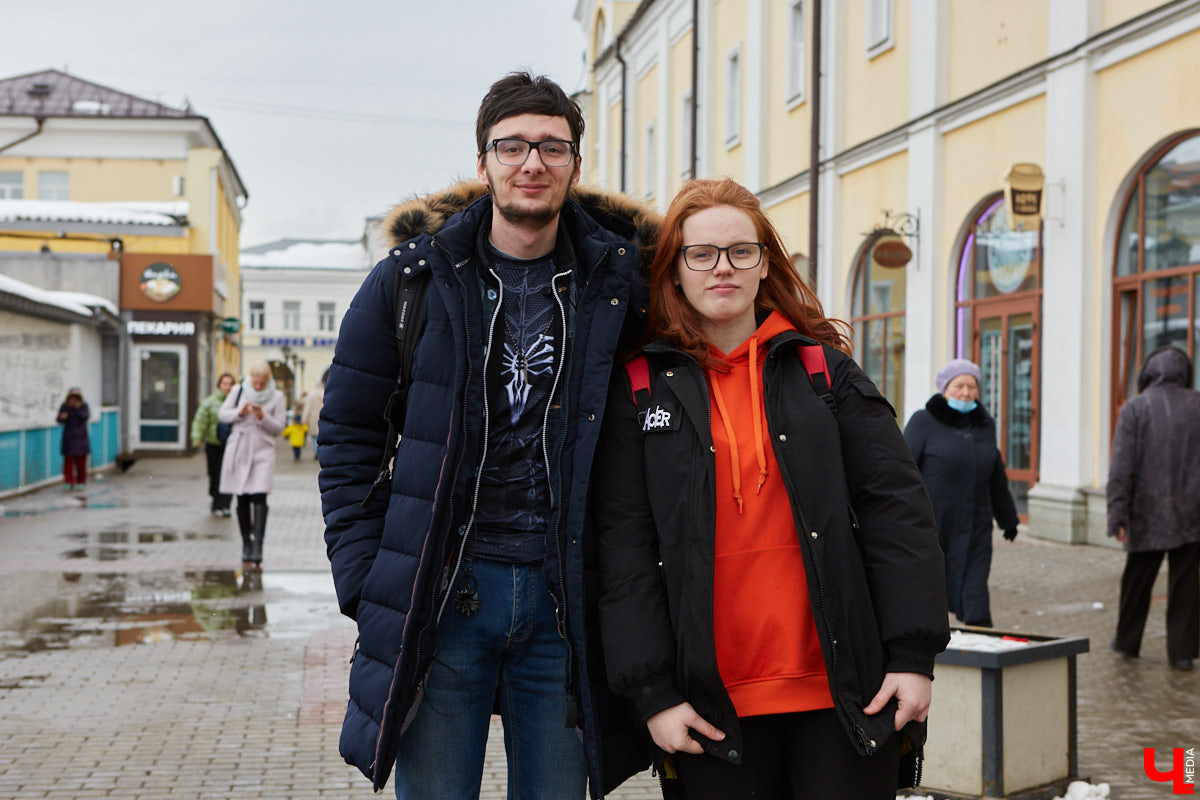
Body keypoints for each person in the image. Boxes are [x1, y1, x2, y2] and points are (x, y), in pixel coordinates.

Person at [319, 72, 655, 799]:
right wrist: (366, 580)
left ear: (573, 163)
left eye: (552, 147)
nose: (532, 163)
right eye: (512, 146)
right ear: (483, 163)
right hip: (443, 600)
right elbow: (347, 435)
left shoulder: (621, 285)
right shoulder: (411, 281)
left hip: (566, 601)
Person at [593, 178, 949, 799]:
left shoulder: (823, 372)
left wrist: (913, 656)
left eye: (741, 251)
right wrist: (651, 692)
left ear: (765, 263)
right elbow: (622, 547)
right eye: (700, 253)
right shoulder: (641, 387)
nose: (722, 267)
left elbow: (899, 513)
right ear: (674, 270)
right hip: (707, 707)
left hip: (845, 696)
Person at [904, 358, 1019, 628]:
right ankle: (932, 639)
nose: (966, 392)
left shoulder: (984, 424)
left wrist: (1008, 518)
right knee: (935, 586)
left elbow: (996, 474)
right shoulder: (923, 421)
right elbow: (903, 470)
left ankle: (978, 640)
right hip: (935, 522)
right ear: (944, 389)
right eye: (959, 386)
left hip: (976, 523)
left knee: (975, 585)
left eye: (971, 386)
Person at [1107, 346, 1200, 671]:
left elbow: (1122, 467)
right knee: (1185, 586)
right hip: (1192, 514)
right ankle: (1182, 652)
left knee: (1136, 583)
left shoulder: (1135, 408)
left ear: (1149, 372)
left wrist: (1117, 514)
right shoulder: (1198, 405)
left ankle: (1127, 643)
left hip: (1146, 514)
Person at [218, 362, 285, 571]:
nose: (257, 387)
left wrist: (262, 416)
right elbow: (223, 414)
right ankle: (246, 542)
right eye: (255, 383)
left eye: (262, 384)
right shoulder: (239, 390)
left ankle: (258, 546)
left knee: (259, 495)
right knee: (242, 496)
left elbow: (279, 427)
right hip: (239, 448)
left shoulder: (277, 396)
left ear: (268, 382)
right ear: (250, 378)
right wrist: (240, 411)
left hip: (262, 450)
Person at [191, 373, 235, 515]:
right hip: (213, 444)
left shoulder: (237, 403)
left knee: (228, 474)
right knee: (214, 474)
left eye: (230, 384)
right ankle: (216, 501)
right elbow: (200, 420)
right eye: (224, 383)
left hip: (231, 445)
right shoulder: (210, 402)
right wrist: (197, 437)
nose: (227, 387)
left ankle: (226, 505)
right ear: (219, 385)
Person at [56, 387, 90, 492]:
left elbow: (85, 417)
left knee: (81, 464)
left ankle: (81, 482)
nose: (74, 400)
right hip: (69, 439)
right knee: (68, 464)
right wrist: (63, 417)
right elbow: (59, 419)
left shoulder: (83, 406)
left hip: (81, 440)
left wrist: (76, 408)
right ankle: (68, 482)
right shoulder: (65, 406)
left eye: (76, 398)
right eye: (72, 397)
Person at [300, 376, 325, 461]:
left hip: (313, 419)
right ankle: (321, 452)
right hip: (323, 418)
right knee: (322, 436)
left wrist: (304, 420)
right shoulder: (324, 394)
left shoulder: (311, 395)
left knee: (314, 437)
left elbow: (307, 409)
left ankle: (316, 452)